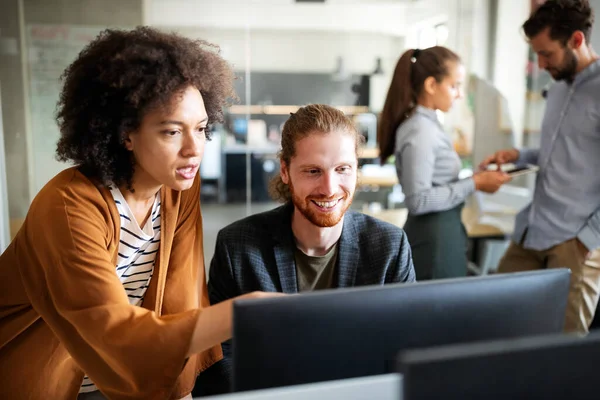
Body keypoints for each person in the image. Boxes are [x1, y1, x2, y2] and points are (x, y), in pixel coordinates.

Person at [0, 27, 279, 400]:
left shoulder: (178, 187)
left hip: (119, 378)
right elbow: (110, 328)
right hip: (37, 373)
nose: (194, 149)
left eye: (200, 128)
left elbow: (181, 295)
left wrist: (179, 393)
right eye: (171, 132)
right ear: (125, 134)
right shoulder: (68, 205)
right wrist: (242, 312)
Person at [206, 103, 416, 393]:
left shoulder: (389, 247)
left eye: (343, 169)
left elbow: (404, 351)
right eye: (313, 171)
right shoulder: (238, 247)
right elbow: (217, 356)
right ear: (285, 170)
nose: (329, 188)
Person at [479, 0, 600, 335]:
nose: (541, 63)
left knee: (565, 347)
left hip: (577, 242)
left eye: (547, 54)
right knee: (492, 318)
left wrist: (589, 238)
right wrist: (519, 155)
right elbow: (562, 151)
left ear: (576, 40)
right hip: (533, 230)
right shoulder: (558, 86)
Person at [377, 46, 511, 281]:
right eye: (454, 85)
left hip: (442, 233)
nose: (459, 94)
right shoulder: (420, 130)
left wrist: (475, 178)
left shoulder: (428, 124)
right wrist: (475, 183)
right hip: (433, 240)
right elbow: (418, 200)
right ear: (431, 85)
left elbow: (437, 182)